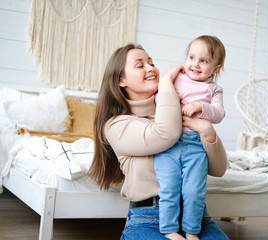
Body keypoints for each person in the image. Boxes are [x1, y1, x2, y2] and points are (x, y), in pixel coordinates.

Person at [88, 44, 229, 240]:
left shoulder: (180, 108)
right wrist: (166, 84)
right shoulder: (117, 125)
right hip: (148, 219)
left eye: (151, 63)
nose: (150, 68)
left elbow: (219, 169)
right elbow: (166, 133)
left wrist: (207, 131)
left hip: (197, 220)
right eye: (140, 65)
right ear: (121, 80)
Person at [154, 35, 226, 240]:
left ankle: (191, 231)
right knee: (169, 189)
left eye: (203, 61)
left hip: (196, 147)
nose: (195, 64)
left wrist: (201, 107)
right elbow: (160, 97)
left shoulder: (214, 89)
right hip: (169, 145)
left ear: (215, 68)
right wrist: (173, 99)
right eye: (192, 57)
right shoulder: (177, 77)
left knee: (194, 192)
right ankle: (169, 229)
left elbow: (219, 114)